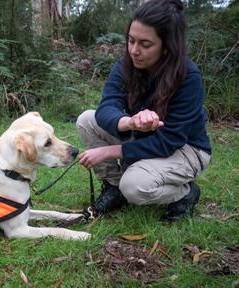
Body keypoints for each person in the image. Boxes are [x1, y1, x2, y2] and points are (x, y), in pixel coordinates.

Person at [76, 0, 212, 221]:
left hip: (186, 148)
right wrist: (128, 122)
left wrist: (109, 151)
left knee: (135, 186)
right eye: (131, 41)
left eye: (145, 44)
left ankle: (184, 194)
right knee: (86, 119)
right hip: (143, 136)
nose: (134, 51)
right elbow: (106, 109)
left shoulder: (188, 77)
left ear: (167, 46)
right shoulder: (124, 66)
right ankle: (114, 188)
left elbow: (169, 141)